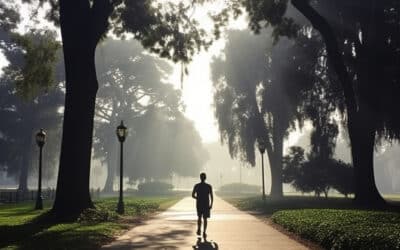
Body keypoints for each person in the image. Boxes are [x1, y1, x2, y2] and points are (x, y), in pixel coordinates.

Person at [192, 172, 213, 237]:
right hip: (206, 204)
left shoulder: (197, 186)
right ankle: (204, 231)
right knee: (205, 218)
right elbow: (211, 196)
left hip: (199, 204)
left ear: (200, 178)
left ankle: (199, 229)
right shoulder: (208, 186)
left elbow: (192, 195)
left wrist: (197, 198)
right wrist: (211, 204)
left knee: (199, 217)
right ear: (205, 178)